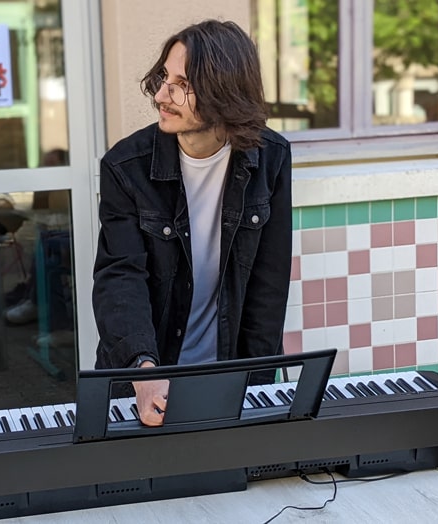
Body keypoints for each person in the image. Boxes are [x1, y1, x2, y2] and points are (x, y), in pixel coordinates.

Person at [92, 20, 293, 426]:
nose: (163, 94)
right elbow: (120, 277)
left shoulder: (269, 158)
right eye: (164, 77)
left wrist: (256, 392)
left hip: (226, 380)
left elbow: (268, 288)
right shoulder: (125, 167)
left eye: (182, 83)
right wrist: (143, 371)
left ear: (224, 90)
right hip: (139, 379)